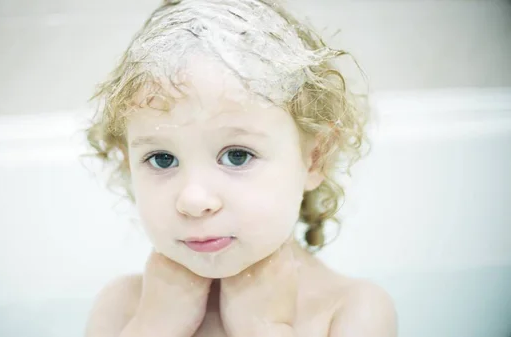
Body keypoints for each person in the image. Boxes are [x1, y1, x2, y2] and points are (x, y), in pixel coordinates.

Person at [84, 0, 397, 336]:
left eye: (237, 156)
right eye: (162, 159)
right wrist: (156, 326)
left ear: (314, 159)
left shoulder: (351, 311)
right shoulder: (122, 309)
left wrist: (264, 329)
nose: (193, 199)